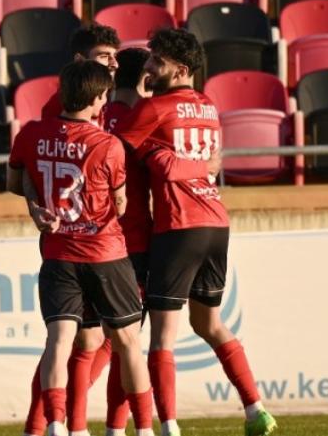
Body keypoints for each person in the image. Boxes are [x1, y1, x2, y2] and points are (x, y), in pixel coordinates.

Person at [116, 28, 277, 436]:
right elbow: (199, 160)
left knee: (162, 338)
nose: (149, 67)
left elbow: (114, 150)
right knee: (210, 324)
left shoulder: (154, 108)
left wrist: (151, 147)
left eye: (158, 61)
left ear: (181, 69)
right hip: (216, 222)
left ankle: (169, 426)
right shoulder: (208, 106)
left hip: (178, 225)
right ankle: (255, 409)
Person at [8, 60, 155, 436]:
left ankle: (55, 424)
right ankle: (144, 428)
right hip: (105, 253)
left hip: (58, 254)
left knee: (58, 342)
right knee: (128, 342)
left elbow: (16, 180)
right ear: (97, 98)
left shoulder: (31, 134)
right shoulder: (107, 145)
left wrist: (37, 206)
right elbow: (120, 204)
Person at [103, 47, 220, 436]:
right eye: (150, 63)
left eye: (159, 61)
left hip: (112, 235)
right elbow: (171, 165)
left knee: (99, 343)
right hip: (145, 235)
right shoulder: (158, 113)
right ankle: (149, 427)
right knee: (126, 342)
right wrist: (200, 165)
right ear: (143, 78)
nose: (153, 68)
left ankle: (70, 425)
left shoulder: (102, 116)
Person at [22, 23, 121, 436]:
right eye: (104, 56)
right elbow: (33, 167)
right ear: (80, 62)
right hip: (85, 239)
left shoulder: (115, 101)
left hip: (113, 234)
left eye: (115, 57)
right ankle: (45, 425)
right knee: (80, 339)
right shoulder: (59, 111)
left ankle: (68, 425)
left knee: (90, 340)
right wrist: (35, 207)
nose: (113, 64)